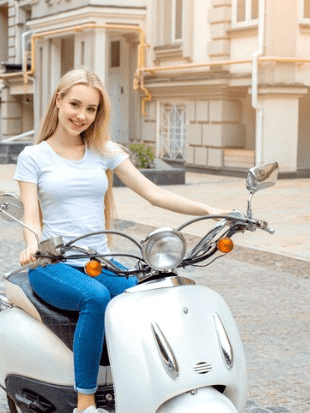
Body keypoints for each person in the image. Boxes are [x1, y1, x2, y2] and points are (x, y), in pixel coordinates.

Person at [14, 69, 228, 413]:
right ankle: (85, 403)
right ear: (58, 100)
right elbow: (31, 217)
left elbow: (153, 194)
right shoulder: (34, 157)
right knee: (94, 298)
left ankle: (155, 381)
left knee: (149, 296)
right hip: (53, 263)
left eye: (91, 109)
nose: (81, 115)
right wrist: (32, 244)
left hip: (101, 262)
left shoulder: (104, 151)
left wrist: (210, 210)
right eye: (74, 104)